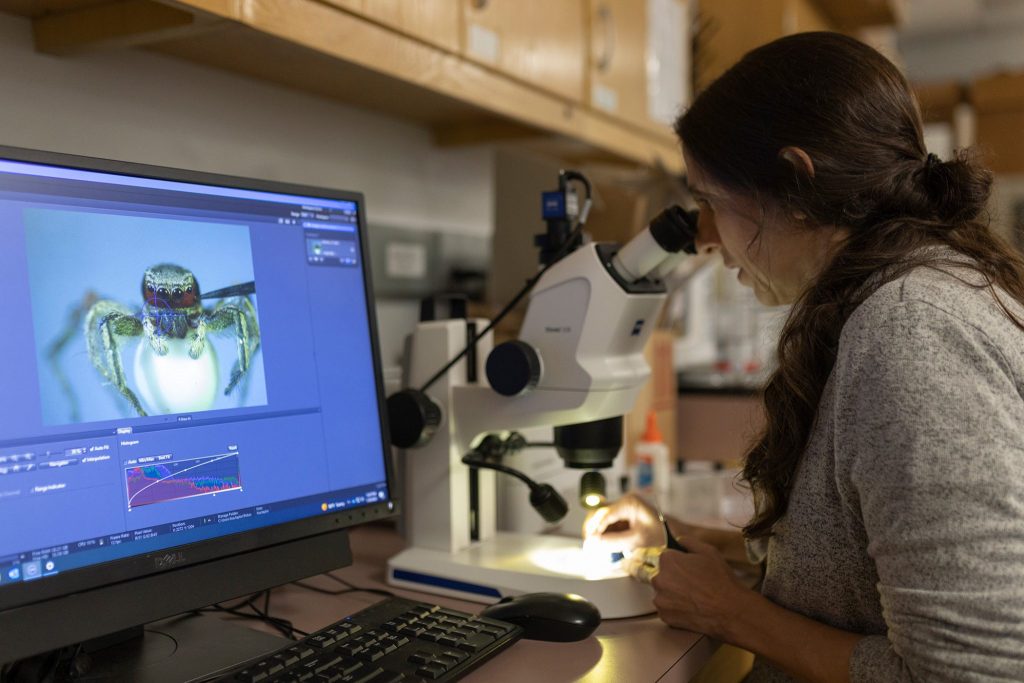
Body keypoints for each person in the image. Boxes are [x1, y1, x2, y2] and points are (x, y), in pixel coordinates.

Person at [586, 31, 1024, 682]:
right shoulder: (908, 295)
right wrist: (727, 549)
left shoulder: (911, 332)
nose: (704, 236)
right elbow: (870, 575)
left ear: (794, 181)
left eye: (711, 199)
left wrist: (729, 611)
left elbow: (973, 674)